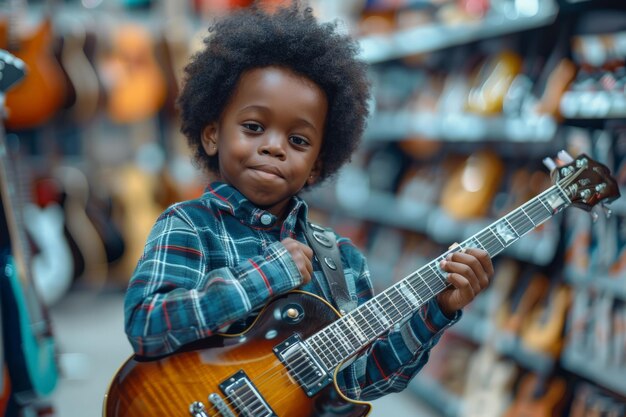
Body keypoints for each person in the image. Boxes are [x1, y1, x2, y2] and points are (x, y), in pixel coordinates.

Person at [123, 0, 494, 410]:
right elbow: (147, 325)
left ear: (317, 166)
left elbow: (362, 380)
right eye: (253, 127)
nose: (273, 146)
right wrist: (265, 276)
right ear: (212, 135)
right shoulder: (189, 226)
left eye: (298, 141)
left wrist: (437, 311)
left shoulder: (341, 260)